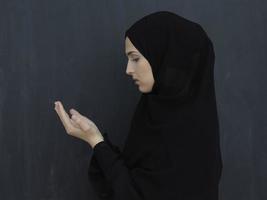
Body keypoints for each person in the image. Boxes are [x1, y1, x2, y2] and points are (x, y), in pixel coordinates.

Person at [54, 10, 223, 200]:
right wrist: (95, 139)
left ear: (164, 56)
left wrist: (96, 142)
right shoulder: (151, 113)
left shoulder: (191, 134)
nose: (128, 69)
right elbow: (131, 184)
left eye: (135, 58)